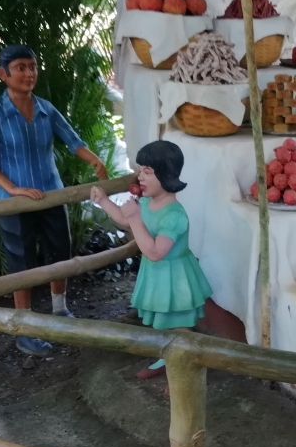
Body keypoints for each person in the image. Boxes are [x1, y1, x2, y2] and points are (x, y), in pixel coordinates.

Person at [0, 44, 108, 358]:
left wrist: (95, 160)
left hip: (52, 193)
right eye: (20, 67)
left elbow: (73, 140)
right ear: (2, 74)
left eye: (32, 67)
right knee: (21, 262)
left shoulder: (47, 108)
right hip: (12, 202)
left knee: (59, 252)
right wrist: (15, 189)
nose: (28, 73)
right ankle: (25, 329)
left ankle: (60, 311)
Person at [90, 140, 212, 380]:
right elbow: (125, 221)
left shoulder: (175, 215)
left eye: (148, 172)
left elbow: (155, 252)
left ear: (166, 175)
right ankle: (167, 360)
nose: (140, 178)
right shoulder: (146, 202)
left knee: (180, 326)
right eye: (139, 171)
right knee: (164, 323)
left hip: (174, 276)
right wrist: (104, 202)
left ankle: (184, 375)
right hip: (157, 275)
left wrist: (135, 218)